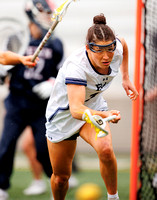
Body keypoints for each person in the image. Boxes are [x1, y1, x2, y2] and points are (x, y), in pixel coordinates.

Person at [46, 14, 138, 200]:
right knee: (61, 178)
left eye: (110, 49)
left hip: (92, 108)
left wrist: (126, 77)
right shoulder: (77, 67)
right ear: (88, 48)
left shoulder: (116, 48)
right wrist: (106, 114)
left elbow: (123, 43)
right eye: (99, 51)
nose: (106, 56)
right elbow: (76, 110)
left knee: (105, 149)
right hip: (64, 117)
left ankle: (113, 197)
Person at [0, 0, 64, 199]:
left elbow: (65, 73)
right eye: (44, 12)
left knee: (44, 150)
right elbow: (4, 68)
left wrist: (53, 83)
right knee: (6, 145)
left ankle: (57, 178)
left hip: (42, 107)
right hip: (17, 103)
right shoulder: (16, 39)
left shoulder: (55, 43)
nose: (47, 15)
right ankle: (1, 186)